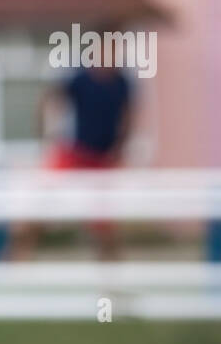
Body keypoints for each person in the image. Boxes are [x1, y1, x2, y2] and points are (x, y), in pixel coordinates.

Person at [14, 61, 134, 260]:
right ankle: (15, 262)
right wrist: (44, 133)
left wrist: (121, 147)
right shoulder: (80, 78)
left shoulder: (122, 82)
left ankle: (113, 277)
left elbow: (129, 115)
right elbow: (49, 97)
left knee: (104, 222)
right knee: (40, 205)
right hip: (73, 154)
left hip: (101, 160)